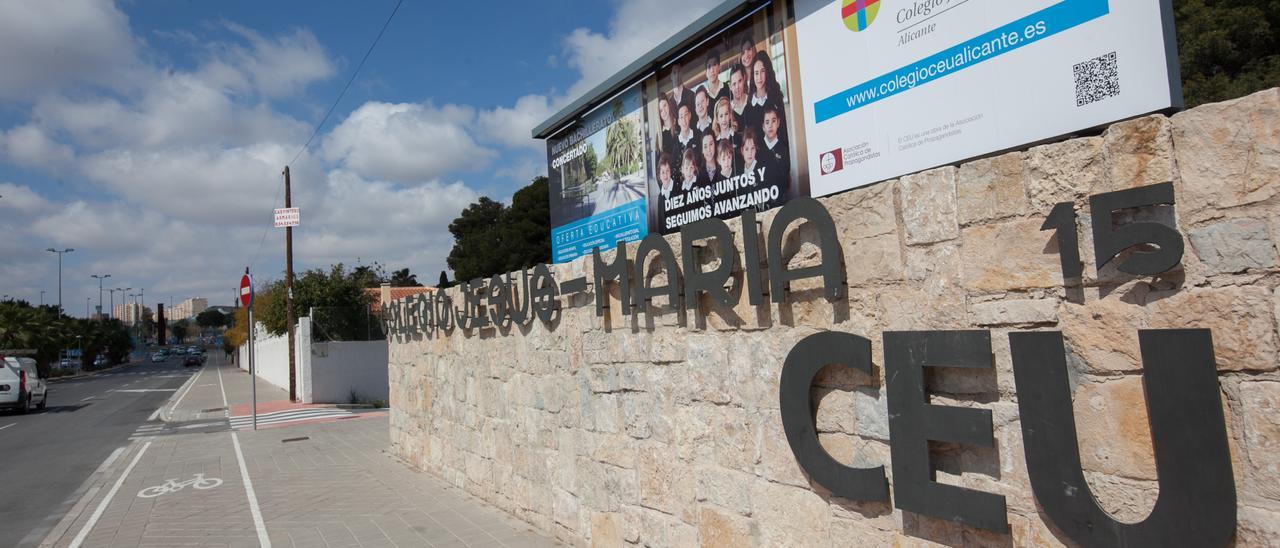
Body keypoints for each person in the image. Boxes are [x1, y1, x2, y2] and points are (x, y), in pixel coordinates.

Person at [743, 55, 785, 134]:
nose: (759, 77)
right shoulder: (748, 109)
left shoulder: (776, 100)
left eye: (762, 71)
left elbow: (783, 132)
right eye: (756, 73)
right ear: (753, 75)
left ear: (767, 72)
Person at [759, 104, 789, 177]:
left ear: (778, 123)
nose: (770, 125)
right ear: (763, 126)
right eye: (767, 122)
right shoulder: (758, 148)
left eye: (773, 121)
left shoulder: (784, 149)